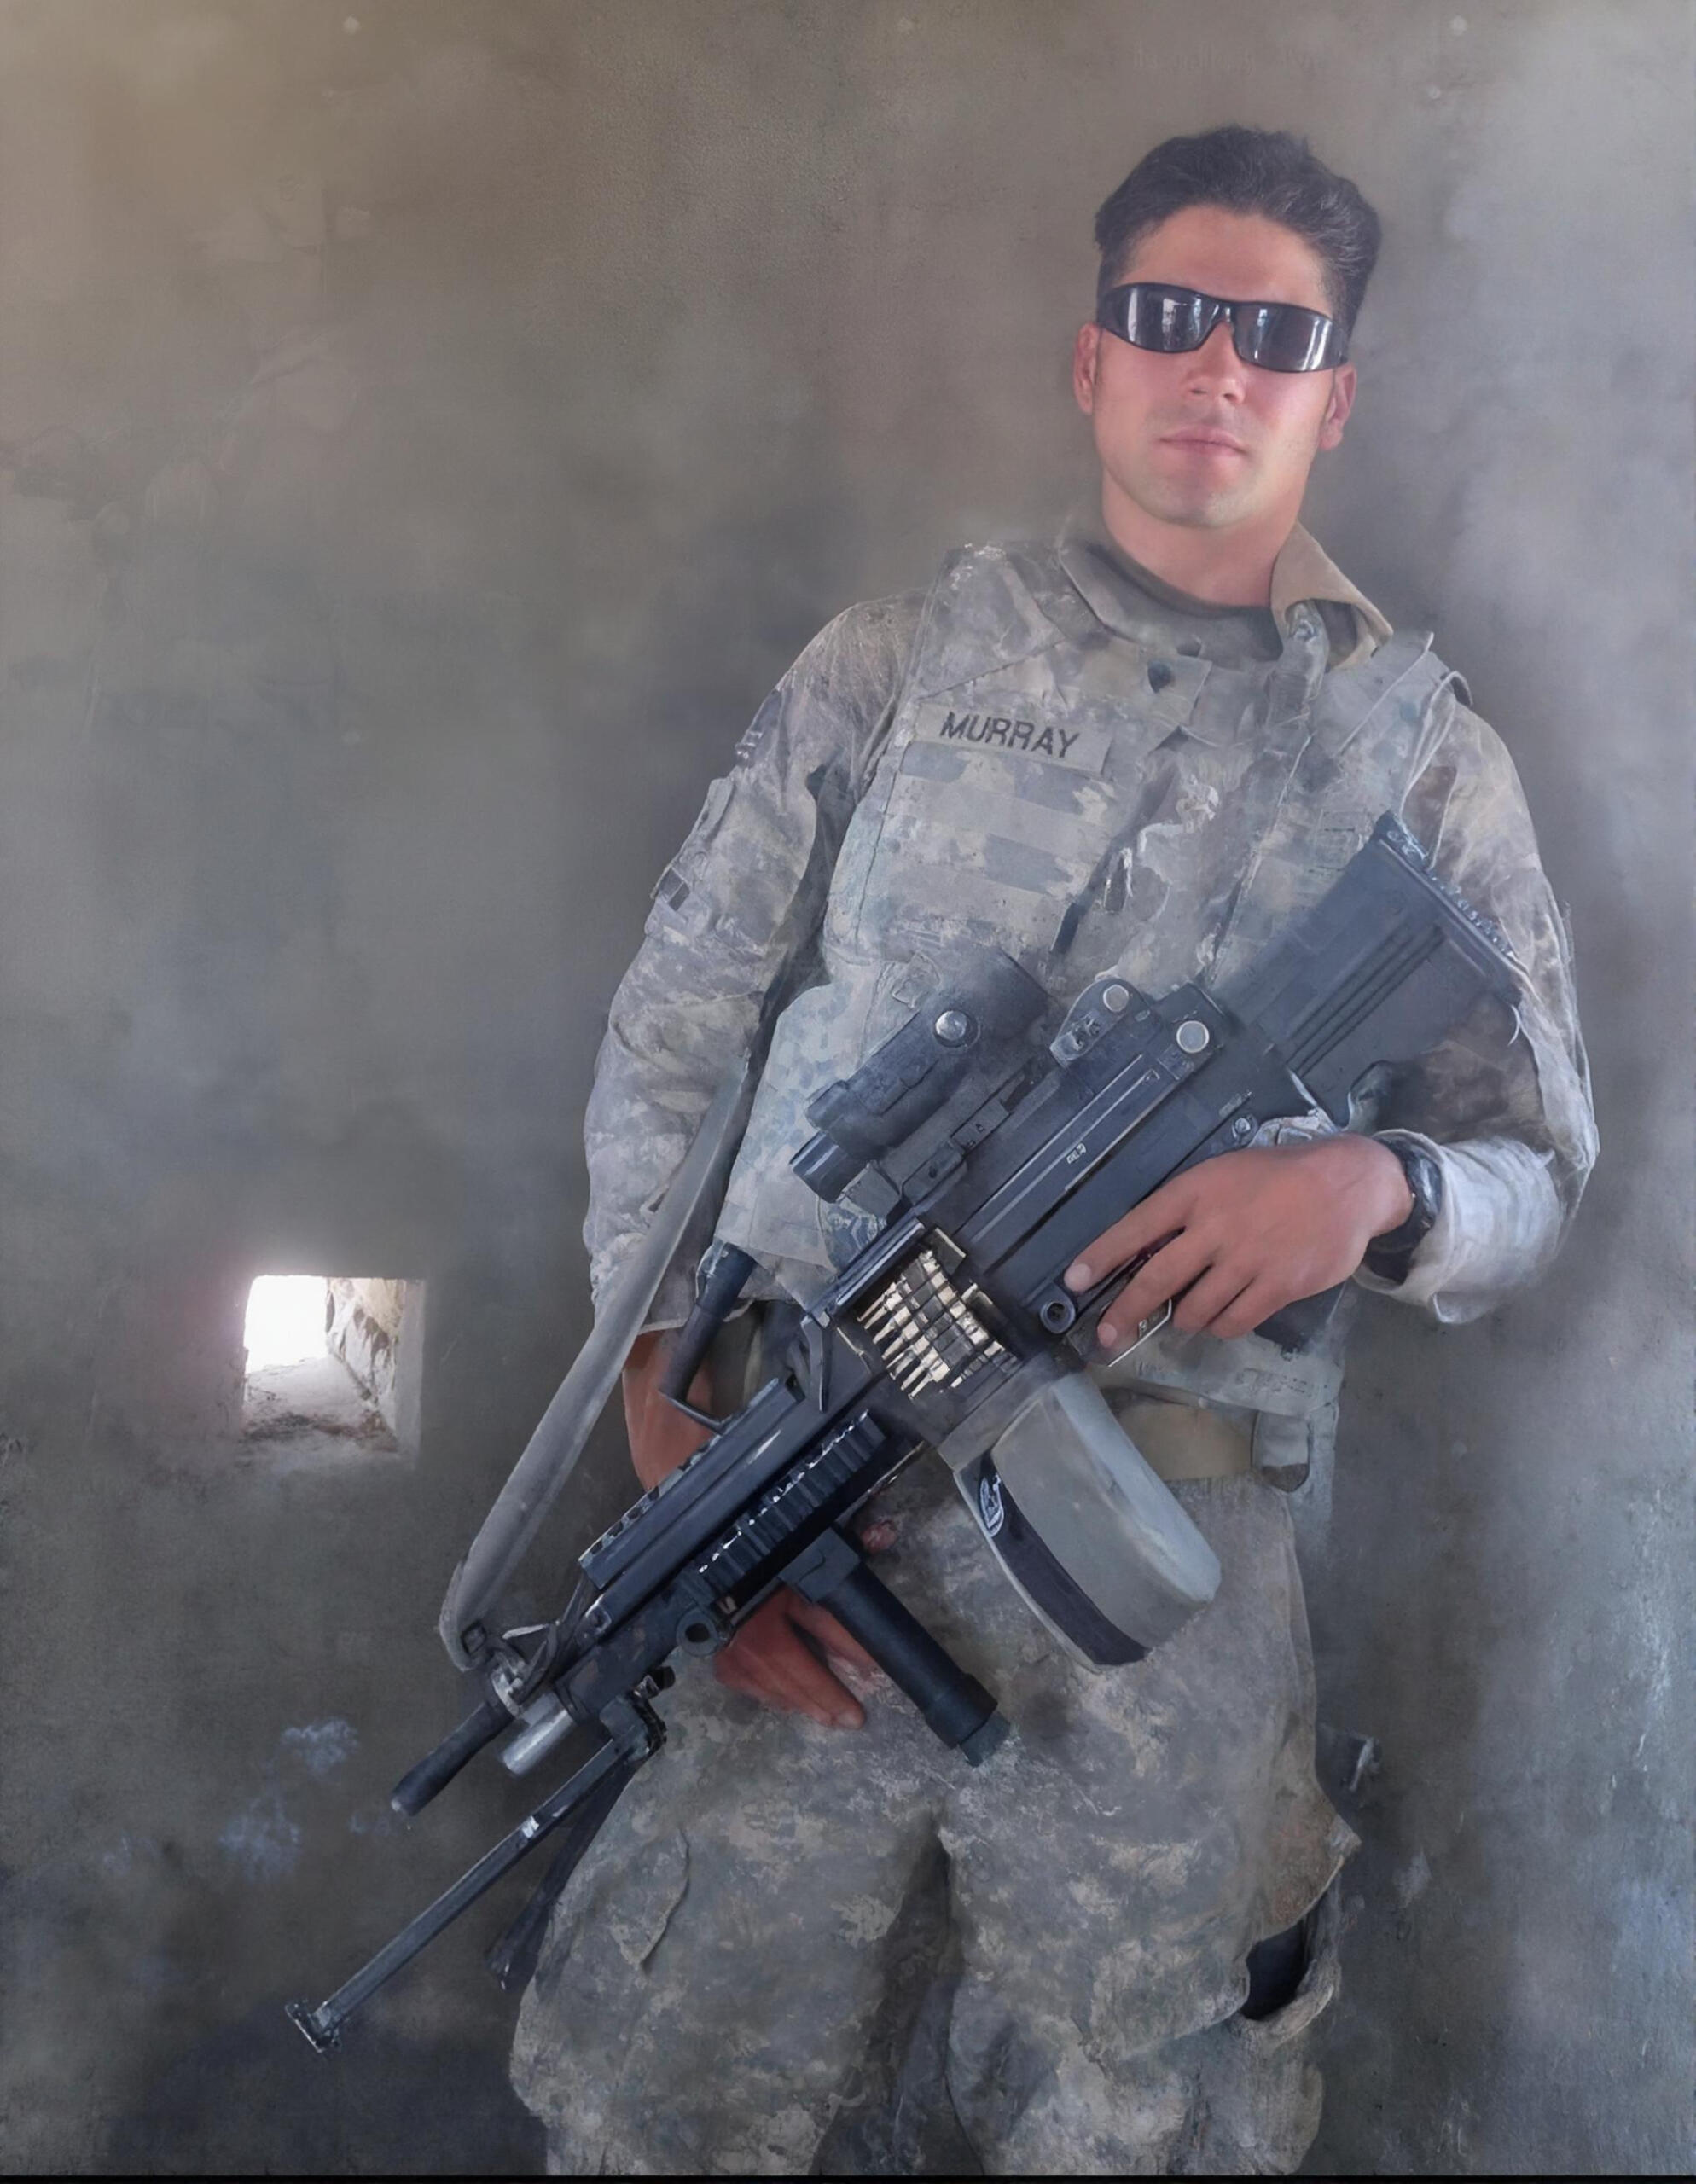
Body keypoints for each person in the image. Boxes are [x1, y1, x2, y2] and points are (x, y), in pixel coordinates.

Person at [511, 126, 1595, 2174]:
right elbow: (674, 1032)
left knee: (1128, 2108)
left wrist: (1372, 1192)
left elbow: (1535, 1170)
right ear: (1092, 361)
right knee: (676, 2098)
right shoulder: (897, 662)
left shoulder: (1423, 759)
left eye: (1274, 337)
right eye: (1168, 317)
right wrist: (668, 1413)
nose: (1218, 368)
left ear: (1335, 398)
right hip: (807, 1513)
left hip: (1162, 1603)